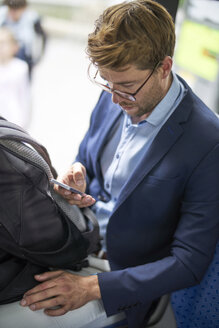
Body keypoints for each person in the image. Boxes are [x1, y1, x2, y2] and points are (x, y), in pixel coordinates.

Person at [1, 1, 219, 327]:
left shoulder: (207, 142)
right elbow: (86, 157)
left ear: (164, 67)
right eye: (106, 82)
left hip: (122, 276)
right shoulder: (116, 92)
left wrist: (92, 287)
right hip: (78, 240)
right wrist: (78, 176)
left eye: (127, 87)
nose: (114, 99)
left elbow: (189, 263)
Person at [0, 0, 47, 78]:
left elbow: (43, 38)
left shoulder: (31, 19)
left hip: (24, 56)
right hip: (4, 57)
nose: (13, 13)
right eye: (11, 10)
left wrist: (38, 57)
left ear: (23, 9)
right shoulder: (3, 17)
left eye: (16, 10)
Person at [0, 27, 31, 129]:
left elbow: (24, 97)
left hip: (13, 120)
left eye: (3, 43)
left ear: (14, 47)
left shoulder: (20, 67)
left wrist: (23, 123)